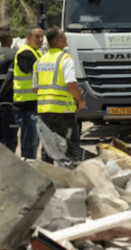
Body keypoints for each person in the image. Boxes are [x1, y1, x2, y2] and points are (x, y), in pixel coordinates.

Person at [33, 27, 86, 163]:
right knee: (70, 146)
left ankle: (49, 177)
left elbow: (35, 89)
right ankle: (70, 177)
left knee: (48, 147)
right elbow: (71, 84)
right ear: (59, 40)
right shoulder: (65, 59)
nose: (66, 37)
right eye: (63, 36)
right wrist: (80, 100)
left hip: (44, 111)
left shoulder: (39, 61)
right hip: (63, 112)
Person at [1, 26, 43, 159]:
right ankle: (28, 172)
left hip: (32, 104)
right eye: (37, 37)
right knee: (29, 144)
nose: (41, 40)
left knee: (33, 142)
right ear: (28, 38)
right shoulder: (25, 53)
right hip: (25, 105)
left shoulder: (36, 53)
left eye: (42, 37)